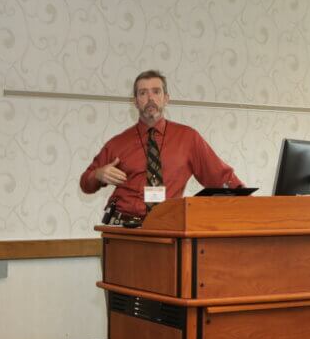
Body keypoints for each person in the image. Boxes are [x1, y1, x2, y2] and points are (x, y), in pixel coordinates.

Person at [80, 69, 243, 225]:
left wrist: (248, 203)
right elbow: (85, 184)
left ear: (166, 98)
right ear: (135, 102)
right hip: (124, 228)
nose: (150, 98)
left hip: (168, 227)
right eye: (143, 93)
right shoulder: (118, 143)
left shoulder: (188, 138)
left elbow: (220, 177)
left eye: (156, 92)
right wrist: (98, 174)